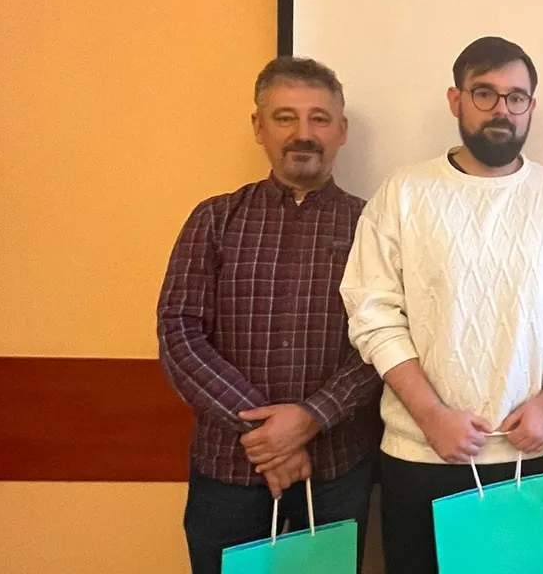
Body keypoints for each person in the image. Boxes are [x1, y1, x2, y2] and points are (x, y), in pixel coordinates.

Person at [340, 36, 543, 574]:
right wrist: (432, 415)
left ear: (531, 106)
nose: (500, 110)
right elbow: (372, 312)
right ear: (454, 99)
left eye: (515, 97)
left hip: (526, 454)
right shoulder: (404, 192)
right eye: (483, 93)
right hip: (421, 454)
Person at [157, 56, 383, 574]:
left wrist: (310, 418)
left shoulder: (374, 224)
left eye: (319, 118)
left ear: (341, 130)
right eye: (285, 117)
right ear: (258, 127)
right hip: (227, 472)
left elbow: (386, 339)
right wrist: (271, 438)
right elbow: (179, 334)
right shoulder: (214, 218)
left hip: (335, 472)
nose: (303, 133)